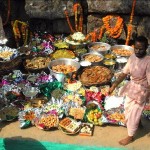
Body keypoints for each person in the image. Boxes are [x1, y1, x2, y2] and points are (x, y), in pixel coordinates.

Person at [109, 36, 150, 146]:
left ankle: (130, 136)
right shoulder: (132, 58)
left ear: (146, 48)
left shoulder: (148, 62)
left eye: (141, 49)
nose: (138, 51)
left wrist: (148, 95)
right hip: (132, 88)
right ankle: (138, 122)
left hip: (142, 91)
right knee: (127, 108)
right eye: (136, 48)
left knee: (133, 114)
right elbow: (124, 73)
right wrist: (114, 85)